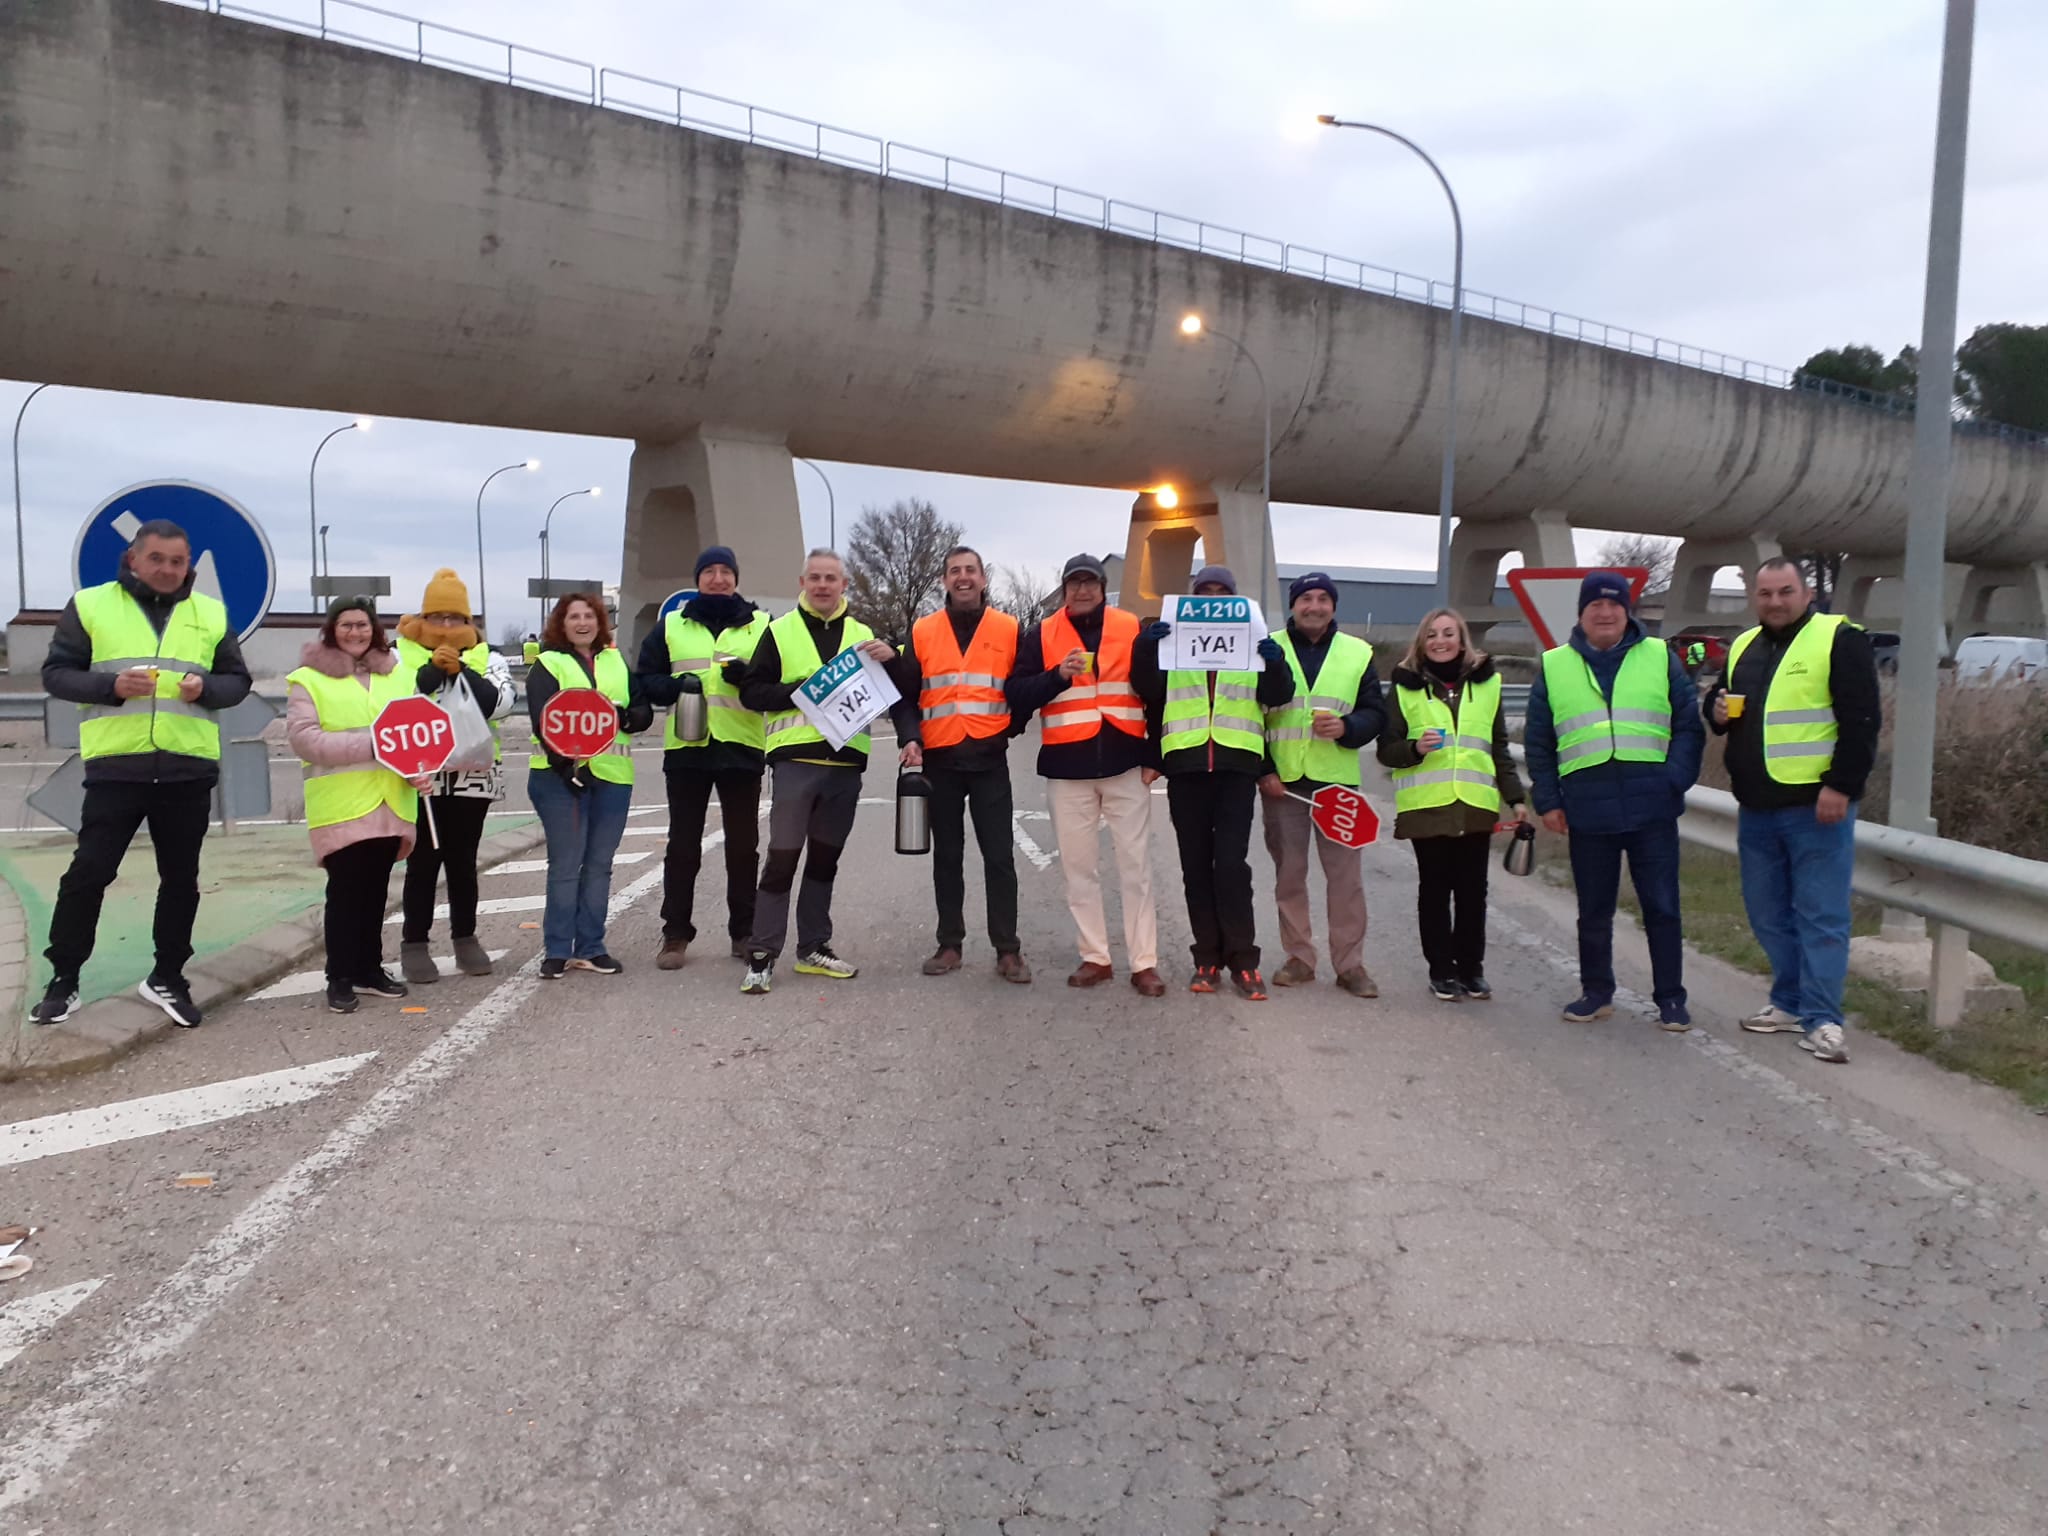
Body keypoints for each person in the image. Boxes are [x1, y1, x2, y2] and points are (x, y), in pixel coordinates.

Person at [34, 518, 252, 1028]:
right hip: (117, 768)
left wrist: (207, 689)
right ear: (134, 559)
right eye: (157, 559)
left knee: (181, 879)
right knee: (89, 872)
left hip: (187, 769)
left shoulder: (211, 612)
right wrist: (112, 686)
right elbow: (56, 674)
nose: (168, 569)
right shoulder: (91, 605)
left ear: (188, 565)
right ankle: (64, 979)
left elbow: (236, 681)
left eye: (178, 561)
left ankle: (168, 977)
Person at [1704, 558, 1881, 1065]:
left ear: (1806, 594)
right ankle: (1789, 1001)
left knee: (1821, 915)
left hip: (1816, 806)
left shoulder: (1838, 638)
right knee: (1766, 912)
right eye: (1765, 594)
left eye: (1785, 592)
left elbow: (1862, 719)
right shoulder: (1742, 646)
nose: (1775, 602)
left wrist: (1841, 786)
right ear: (1754, 598)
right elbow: (1724, 708)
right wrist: (1713, 709)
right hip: (1757, 806)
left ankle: (1823, 1019)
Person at [734, 548, 918, 995]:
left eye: (830, 578)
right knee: (782, 858)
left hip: (845, 766)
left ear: (844, 585)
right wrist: (795, 691)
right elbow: (752, 692)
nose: (821, 585)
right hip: (796, 761)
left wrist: (893, 665)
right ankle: (761, 955)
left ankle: (814, 947)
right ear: (802, 583)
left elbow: (899, 694)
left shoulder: (863, 635)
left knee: (824, 862)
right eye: (814, 577)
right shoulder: (779, 633)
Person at [1526, 571, 1704, 1030]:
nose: (1604, 613)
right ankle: (1596, 992)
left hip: (1653, 807)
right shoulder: (1553, 665)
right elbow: (1539, 743)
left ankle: (1670, 998)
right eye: (1594, 606)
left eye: (1614, 605)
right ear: (1581, 613)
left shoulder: (1660, 656)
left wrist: (1675, 779)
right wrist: (1548, 800)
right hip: (1588, 807)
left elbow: (1688, 725)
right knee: (1594, 911)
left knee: (1662, 908)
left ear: (1628, 611)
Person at [1007, 553, 1166, 997]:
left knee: (1135, 867)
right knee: (1079, 870)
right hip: (1067, 767)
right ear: (1063, 589)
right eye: (1074, 583)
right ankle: (1095, 956)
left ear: (1101, 586)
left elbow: (1156, 695)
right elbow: (1017, 694)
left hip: (1126, 762)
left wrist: (1157, 755)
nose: (1082, 590)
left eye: (1090, 582)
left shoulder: (1131, 626)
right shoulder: (1041, 634)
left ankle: (1144, 963)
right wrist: (1056, 676)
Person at [1133, 565, 1293, 999]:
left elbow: (1278, 696)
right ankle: (1206, 958)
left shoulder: (1254, 644)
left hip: (1235, 767)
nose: (1212, 600)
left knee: (1232, 867)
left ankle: (1244, 960)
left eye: (1222, 593)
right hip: (1185, 767)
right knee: (1196, 869)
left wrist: (1274, 664)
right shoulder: (1173, 644)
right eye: (1205, 594)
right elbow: (1146, 689)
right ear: (1193, 600)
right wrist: (1147, 649)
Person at [1377, 607, 1527, 1002]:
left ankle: (1472, 971)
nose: (1440, 641)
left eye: (1448, 633)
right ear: (1421, 642)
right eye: (1432, 635)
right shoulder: (1405, 688)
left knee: (1473, 892)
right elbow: (1386, 751)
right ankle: (1442, 970)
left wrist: (1516, 798)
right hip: (1426, 806)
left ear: (1462, 640)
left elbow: (1498, 747)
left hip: (1475, 803)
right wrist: (1414, 748)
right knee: (1435, 890)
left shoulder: (1489, 685)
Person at [898, 545, 1031, 983]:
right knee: (947, 857)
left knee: (999, 858)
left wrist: (1012, 726)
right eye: (954, 571)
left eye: (970, 570)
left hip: (989, 759)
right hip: (941, 759)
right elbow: (906, 694)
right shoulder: (922, 630)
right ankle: (949, 944)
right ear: (944, 580)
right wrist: (910, 738)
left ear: (983, 578)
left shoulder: (1009, 628)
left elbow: (1024, 685)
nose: (963, 578)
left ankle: (1007, 950)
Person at [285, 599, 424, 1014]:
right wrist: (374, 744)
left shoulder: (398, 676)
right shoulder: (308, 679)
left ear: (374, 630)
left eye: (362, 625)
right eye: (346, 625)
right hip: (341, 805)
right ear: (332, 630)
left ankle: (369, 968)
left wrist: (420, 768)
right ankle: (339, 976)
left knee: (376, 892)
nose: (355, 632)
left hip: (389, 799)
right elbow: (304, 739)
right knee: (345, 894)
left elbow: (415, 731)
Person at [634, 545, 771, 969]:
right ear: (697, 578)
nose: (717, 578)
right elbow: (644, 680)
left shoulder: (762, 625)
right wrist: (676, 687)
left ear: (736, 578)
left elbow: (774, 682)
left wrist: (746, 676)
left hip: (741, 747)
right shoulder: (671, 625)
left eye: (725, 571)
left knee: (743, 847)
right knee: (683, 847)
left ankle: (743, 932)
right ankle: (675, 935)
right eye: (709, 571)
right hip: (687, 750)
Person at [1258, 571, 1387, 1000]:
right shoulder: (1268, 647)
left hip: (1338, 785)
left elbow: (1375, 712)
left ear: (1333, 605)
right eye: (1305, 599)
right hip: (1284, 783)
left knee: (1346, 880)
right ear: (1293, 605)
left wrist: (1348, 727)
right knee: (1289, 875)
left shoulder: (1357, 652)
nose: (1314, 606)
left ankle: (1350, 965)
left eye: (1322, 599)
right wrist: (1263, 769)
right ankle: (1299, 958)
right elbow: (1247, 714)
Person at [393, 568, 512, 985]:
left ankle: (465, 937)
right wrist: (426, 678)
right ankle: (414, 943)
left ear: (468, 621)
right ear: (424, 618)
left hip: (471, 773)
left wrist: (462, 672)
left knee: (463, 861)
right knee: (422, 862)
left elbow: (502, 703)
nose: (446, 626)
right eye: (437, 617)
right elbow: (390, 700)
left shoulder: (488, 656)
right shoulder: (400, 653)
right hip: (421, 777)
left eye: (455, 618)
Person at [526, 593, 651, 980]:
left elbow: (642, 711)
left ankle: (591, 947)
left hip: (613, 777)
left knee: (599, 866)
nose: (582, 622)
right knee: (566, 865)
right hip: (559, 778)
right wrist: (565, 767)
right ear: (560, 624)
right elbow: (541, 721)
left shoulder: (615, 661)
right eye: (573, 617)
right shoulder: (549, 664)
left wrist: (626, 716)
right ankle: (558, 949)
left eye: (589, 616)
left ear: (600, 621)